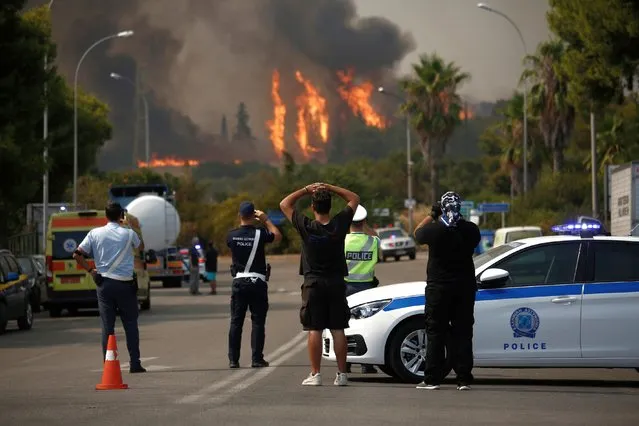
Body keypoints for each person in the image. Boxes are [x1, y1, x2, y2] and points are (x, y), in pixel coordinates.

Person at [280, 182, 359, 387]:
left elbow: (285, 204)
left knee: (314, 329)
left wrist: (306, 190)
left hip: (313, 283)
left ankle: (315, 374)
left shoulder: (306, 226)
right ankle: (342, 375)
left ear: (313, 207)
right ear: (330, 207)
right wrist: (331, 188)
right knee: (338, 328)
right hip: (335, 282)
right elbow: (354, 198)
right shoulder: (339, 224)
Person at [413, 191, 480, 391]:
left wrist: (433, 214)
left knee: (435, 333)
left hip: (439, 289)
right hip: (464, 288)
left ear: (442, 208)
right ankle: (463, 379)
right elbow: (466, 232)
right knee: (463, 332)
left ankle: (433, 378)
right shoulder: (471, 230)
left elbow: (417, 233)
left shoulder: (434, 230)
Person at [73, 202, 146, 373]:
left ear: (105, 216)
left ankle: (109, 366)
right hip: (126, 285)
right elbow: (141, 247)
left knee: (107, 326)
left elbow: (77, 254)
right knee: (130, 324)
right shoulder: (129, 233)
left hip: (104, 284)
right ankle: (135, 363)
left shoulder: (94, 233)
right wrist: (128, 225)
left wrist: (91, 271)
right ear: (121, 215)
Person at [227, 201, 282, 368]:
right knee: (258, 321)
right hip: (257, 281)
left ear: (239, 215)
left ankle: (233, 360)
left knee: (236, 322)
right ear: (254, 215)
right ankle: (257, 359)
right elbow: (277, 236)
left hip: (239, 282)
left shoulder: (231, 235)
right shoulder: (260, 233)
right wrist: (266, 220)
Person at [344, 204, 380, 374]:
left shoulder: (342, 241)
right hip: (367, 288)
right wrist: (365, 224)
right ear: (364, 220)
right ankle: (367, 364)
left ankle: (346, 362)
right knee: (367, 324)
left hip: (345, 288)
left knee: (344, 325)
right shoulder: (372, 241)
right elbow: (376, 236)